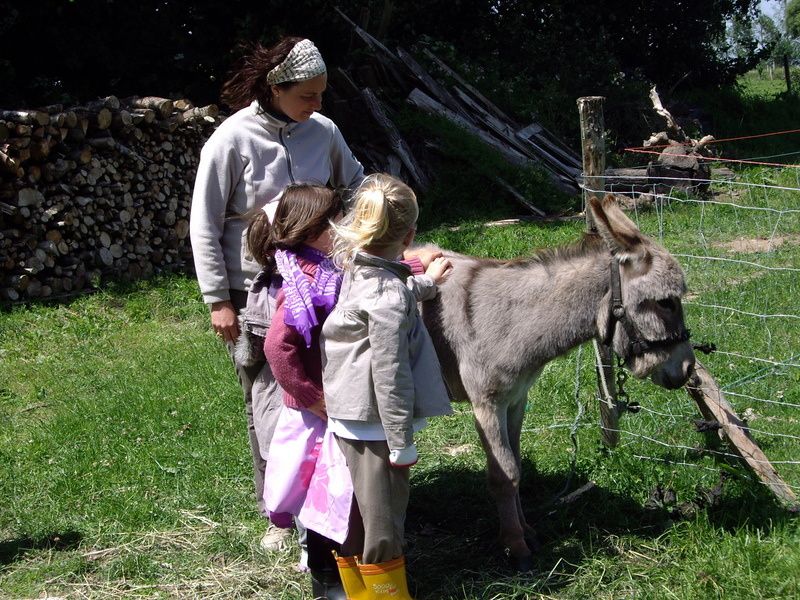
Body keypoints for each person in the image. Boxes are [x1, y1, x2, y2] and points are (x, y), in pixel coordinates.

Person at [188, 36, 364, 551]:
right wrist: (218, 300)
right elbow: (204, 224)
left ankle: (338, 496)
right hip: (255, 295)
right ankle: (279, 508)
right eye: (307, 96)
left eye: (321, 95)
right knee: (267, 400)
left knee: (329, 390)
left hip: (325, 289)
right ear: (275, 88)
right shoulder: (229, 140)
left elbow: (355, 188)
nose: (317, 105)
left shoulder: (324, 132)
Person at [320, 174, 454, 600]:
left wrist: (425, 283)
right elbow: (390, 373)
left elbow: (388, 291)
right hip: (377, 425)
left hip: (348, 413)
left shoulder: (357, 268)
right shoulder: (388, 297)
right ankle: (384, 595)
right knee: (382, 525)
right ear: (410, 235)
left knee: (356, 516)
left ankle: (357, 593)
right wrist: (401, 443)